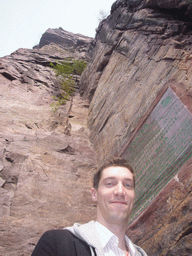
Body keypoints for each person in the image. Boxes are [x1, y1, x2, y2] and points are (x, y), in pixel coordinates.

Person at [32, 157, 147, 256]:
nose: (120, 191)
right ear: (94, 194)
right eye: (110, 183)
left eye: (128, 185)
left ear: (134, 196)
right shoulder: (56, 244)